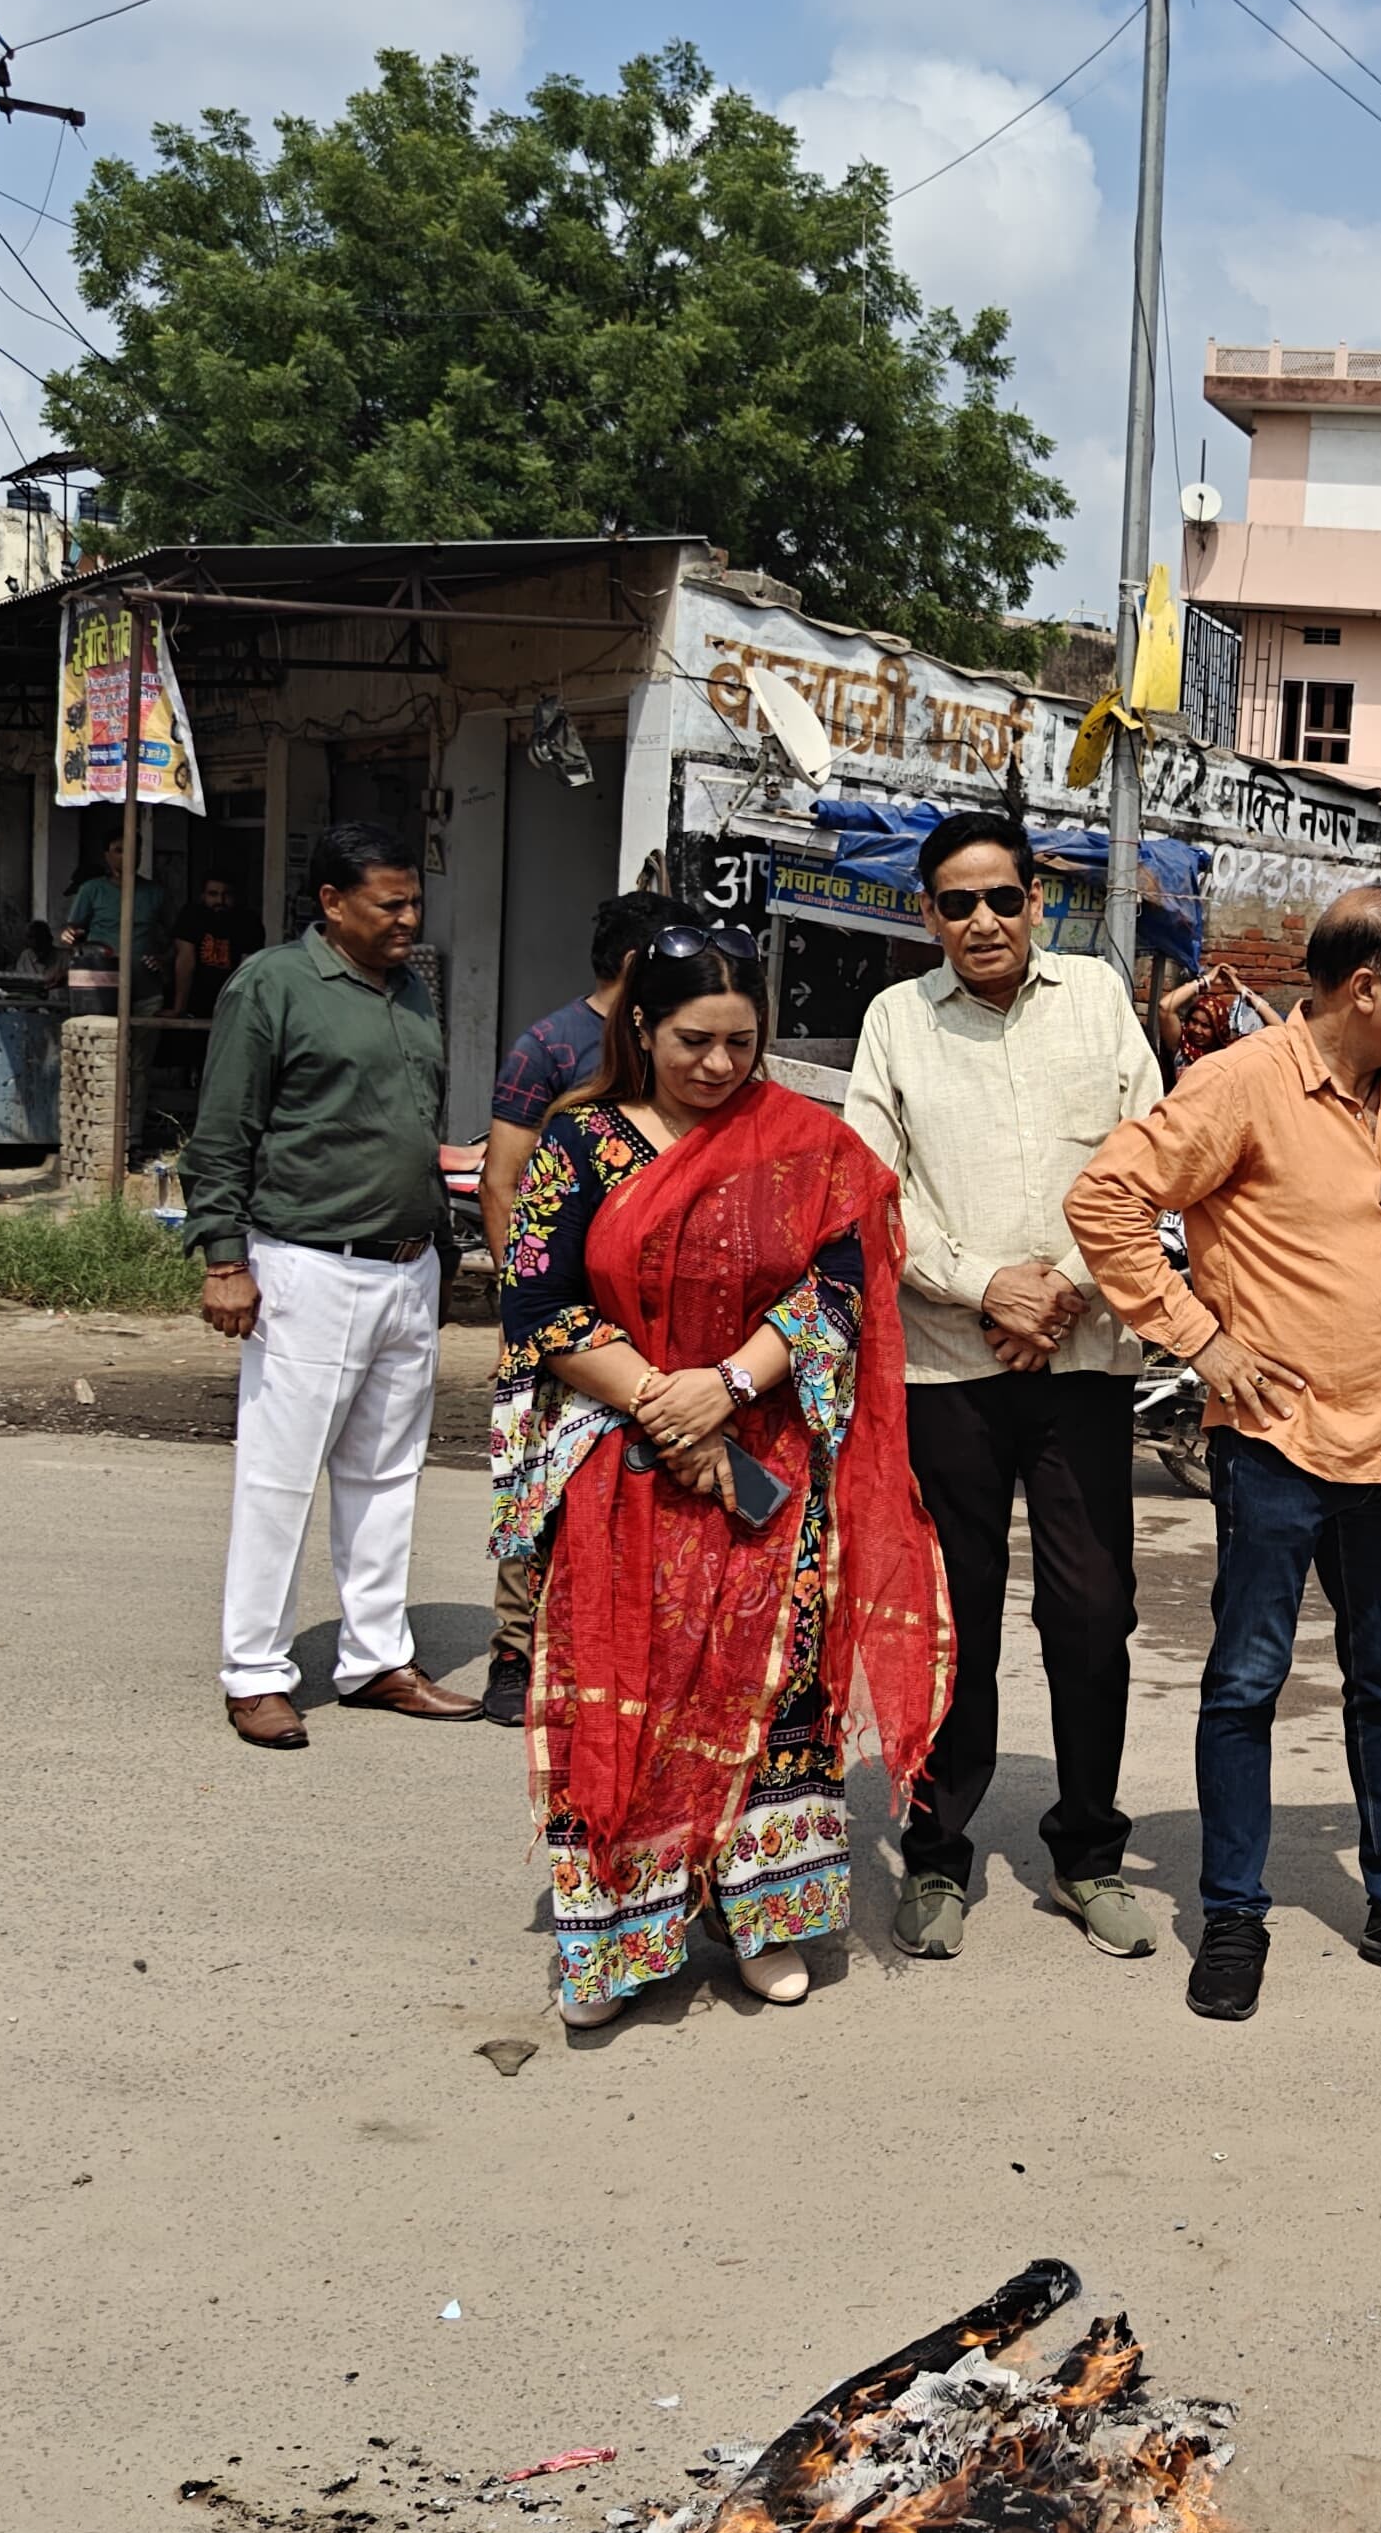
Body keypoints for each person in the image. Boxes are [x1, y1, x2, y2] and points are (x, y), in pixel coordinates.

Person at [1069, 889, 1381, 2022]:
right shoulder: (1240, 1085)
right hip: (1275, 1449)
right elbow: (1107, 1201)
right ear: (1363, 989)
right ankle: (1232, 1913)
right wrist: (1203, 1343)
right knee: (1245, 1684)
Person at [496, 928, 947, 2026]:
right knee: (630, 1696)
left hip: (768, 1466)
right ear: (639, 1028)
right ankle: (617, 1938)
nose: (717, 1065)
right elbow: (538, 1303)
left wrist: (730, 1389)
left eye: (742, 1042)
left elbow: (840, 1285)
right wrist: (665, 1397)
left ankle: (763, 1921)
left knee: (776, 1693)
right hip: (625, 1462)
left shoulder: (803, 1145)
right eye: (692, 1039)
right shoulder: (583, 1143)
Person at [843, 811, 1165, 1966]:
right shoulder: (894, 1022)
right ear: (926, 915)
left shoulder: (1095, 999)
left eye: (1000, 897)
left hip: (1079, 1361)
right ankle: (936, 1854)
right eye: (955, 903)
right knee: (952, 1620)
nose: (981, 920)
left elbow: (1148, 1158)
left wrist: (1064, 1290)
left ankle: (1086, 1854)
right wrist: (988, 1288)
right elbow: (873, 1191)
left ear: (1037, 900)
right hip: (947, 1369)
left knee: (1093, 1614)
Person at [188, 821, 477, 1747]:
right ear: (331, 903)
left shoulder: (413, 993)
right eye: (388, 903)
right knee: (280, 1480)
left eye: (414, 902)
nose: (407, 918)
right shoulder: (273, 984)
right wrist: (225, 1259)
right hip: (305, 1268)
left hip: (406, 1267)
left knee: (387, 1477)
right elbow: (223, 1130)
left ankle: (376, 1658)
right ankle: (256, 1672)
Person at [478, 889, 674, 1726]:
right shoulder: (550, 1047)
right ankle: (515, 1656)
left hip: (660, 1326)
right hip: (562, 1324)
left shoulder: (685, 1043)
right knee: (538, 1490)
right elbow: (502, 1180)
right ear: (636, 968)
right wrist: (526, 1309)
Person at [63, 822, 168, 1017]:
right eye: (119, 850)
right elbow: (72, 934)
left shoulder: (156, 893)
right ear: (107, 856)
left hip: (145, 988)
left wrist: (163, 959)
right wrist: (70, 937)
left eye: (132, 850)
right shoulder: (91, 890)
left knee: (143, 1045)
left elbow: (175, 941)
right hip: (100, 989)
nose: (126, 856)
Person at [171, 870, 250, 1021]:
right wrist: (179, 1009)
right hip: (194, 1003)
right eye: (213, 894)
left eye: (227, 894)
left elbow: (247, 969)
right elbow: (185, 962)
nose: (220, 900)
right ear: (203, 896)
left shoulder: (248, 922)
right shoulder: (191, 915)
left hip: (230, 1006)